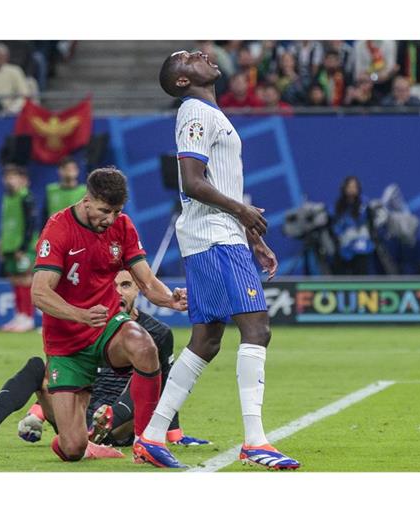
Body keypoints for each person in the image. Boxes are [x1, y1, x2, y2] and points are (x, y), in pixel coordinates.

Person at [134, 50, 300, 470]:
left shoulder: (207, 111)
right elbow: (191, 182)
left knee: (206, 340)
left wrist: (249, 236)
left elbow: (216, 181)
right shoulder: (193, 111)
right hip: (213, 237)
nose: (203, 54)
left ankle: (152, 435)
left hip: (218, 236)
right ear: (182, 81)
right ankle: (255, 440)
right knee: (257, 327)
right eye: (189, 57)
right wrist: (242, 214)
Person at [0, 167, 189, 463]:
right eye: (105, 210)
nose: (110, 219)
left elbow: (146, 281)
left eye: (117, 211)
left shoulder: (122, 226)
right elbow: (40, 293)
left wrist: (171, 299)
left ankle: (148, 442)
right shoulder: (58, 229)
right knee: (73, 449)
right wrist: (79, 315)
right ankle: (63, 429)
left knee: (145, 346)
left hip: (106, 326)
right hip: (67, 343)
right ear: (87, 200)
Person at [0, 269, 209, 457]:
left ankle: (99, 430)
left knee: (146, 380)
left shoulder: (156, 332)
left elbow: (166, 382)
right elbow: (65, 373)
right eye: (112, 286)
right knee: (37, 366)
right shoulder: (90, 321)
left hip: (122, 423)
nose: (119, 292)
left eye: (126, 285)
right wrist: (39, 411)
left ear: (139, 289)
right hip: (79, 415)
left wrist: (174, 434)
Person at [0, 164, 37, 333]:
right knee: (14, 280)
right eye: (7, 177)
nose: (10, 180)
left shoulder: (26, 197)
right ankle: (19, 314)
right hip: (9, 245)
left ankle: (28, 317)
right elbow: (6, 223)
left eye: (13, 177)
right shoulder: (7, 198)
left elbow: (31, 224)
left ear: (23, 180)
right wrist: (1, 242)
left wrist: (24, 246)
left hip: (22, 247)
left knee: (26, 279)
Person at [332, 176, 375, 275]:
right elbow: (336, 226)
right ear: (344, 188)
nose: (352, 189)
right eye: (349, 187)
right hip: (344, 244)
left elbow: (368, 223)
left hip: (361, 243)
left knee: (361, 263)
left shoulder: (364, 204)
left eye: (354, 187)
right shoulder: (338, 206)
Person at [42, 157, 86, 227]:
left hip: (76, 233)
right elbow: (44, 214)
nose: (69, 171)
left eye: (72, 168)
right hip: (54, 232)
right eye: (66, 168)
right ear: (59, 170)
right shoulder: (51, 190)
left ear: (78, 171)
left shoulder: (84, 191)